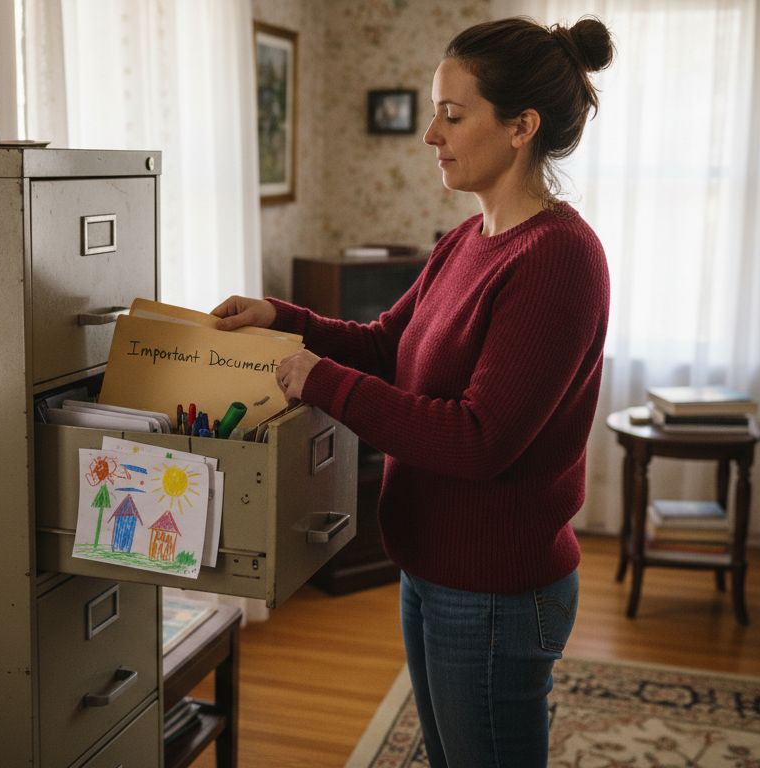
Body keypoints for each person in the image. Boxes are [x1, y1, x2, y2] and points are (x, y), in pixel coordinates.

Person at [213, 16, 613, 768]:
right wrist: (281, 318)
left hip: (494, 589)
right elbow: (386, 345)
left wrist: (323, 382)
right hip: (431, 566)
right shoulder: (467, 240)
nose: (431, 134)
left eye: (453, 115)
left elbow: (479, 439)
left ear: (522, 126)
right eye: (436, 112)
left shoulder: (560, 259)